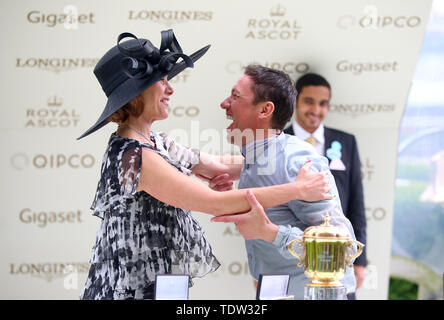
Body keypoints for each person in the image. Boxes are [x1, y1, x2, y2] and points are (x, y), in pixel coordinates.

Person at [77, 31, 333, 300]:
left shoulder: (155, 142)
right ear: (136, 94)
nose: (170, 88)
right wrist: (297, 189)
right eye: (161, 81)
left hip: (158, 286)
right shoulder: (134, 157)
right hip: (128, 291)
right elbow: (215, 203)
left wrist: (283, 154)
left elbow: (217, 165)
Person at [211, 65, 359, 300]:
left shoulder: (296, 160)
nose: (225, 103)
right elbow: (211, 164)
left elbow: (344, 249)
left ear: (265, 110)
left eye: (235, 96)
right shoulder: (255, 157)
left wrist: (271, 232)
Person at [283, 73, 367, 297]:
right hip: (290, 254)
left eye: (323, 103)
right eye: (309, 101)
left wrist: (360, 261)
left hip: (336, 253)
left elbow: (356, 202)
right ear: (295, 101)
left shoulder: (345, 142)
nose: (316, 110)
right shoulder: (278, 140)